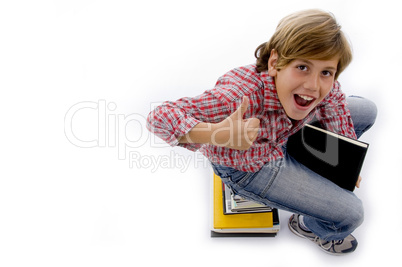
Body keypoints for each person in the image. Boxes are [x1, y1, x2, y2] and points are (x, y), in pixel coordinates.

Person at [146, 9, 377, 255]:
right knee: (351, 214)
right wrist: (217, 134)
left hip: (285, 137)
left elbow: (335, 104)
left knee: (366, 110)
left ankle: (305, 162)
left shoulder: (320, 84)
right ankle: (307, 226)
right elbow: (158, 117)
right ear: (275, 63)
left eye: (326, 72)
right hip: (252, 167)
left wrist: (344, 161)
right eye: (302, 67)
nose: (313, 85)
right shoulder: (237, 97)